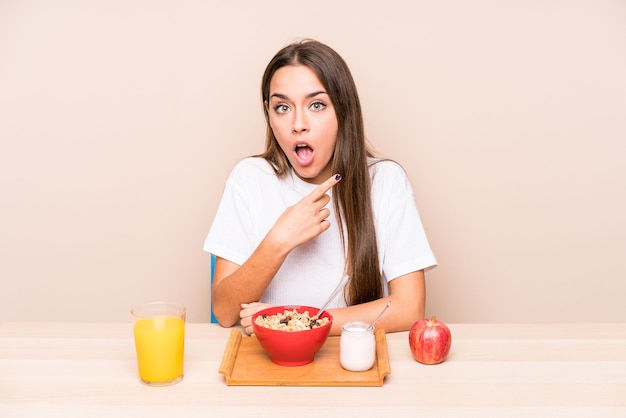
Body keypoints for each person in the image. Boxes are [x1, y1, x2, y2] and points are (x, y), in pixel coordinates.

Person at [204, 39, 436, 336]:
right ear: (269, 115)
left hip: (350, 363)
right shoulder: (249, 178)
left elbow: (409, 308)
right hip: (268, 368)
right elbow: (224, 312)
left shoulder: (385, 181)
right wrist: (278, 242)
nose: (298, 124)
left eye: (317, 105)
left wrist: (297, 320)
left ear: (342, 110)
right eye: (282, 107)